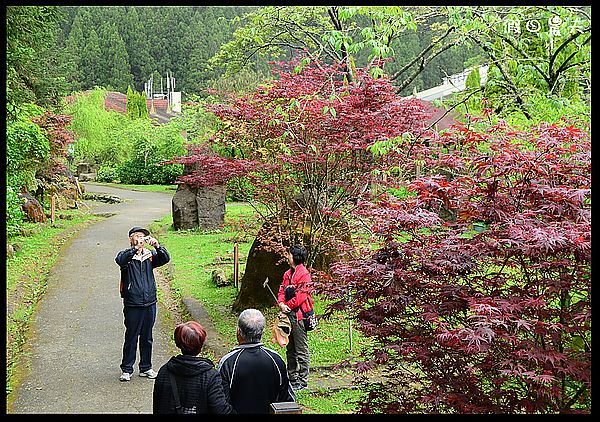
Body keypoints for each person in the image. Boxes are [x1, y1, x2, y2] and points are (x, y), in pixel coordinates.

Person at [115, 226, 170, 382]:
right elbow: (119, 260)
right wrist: (135, 249)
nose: (141, 239)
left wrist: (157, 246)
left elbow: (165, 258)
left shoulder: (150, 256)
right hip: (133, 303)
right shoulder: (127, 257)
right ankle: (127, 369)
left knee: (147, 337)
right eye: (137, 236)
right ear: (131, 239)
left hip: (150, 302)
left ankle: (146, 367)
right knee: (131, 336)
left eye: (143, 237)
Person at [217, 308, 295, 413]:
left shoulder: (228, 362)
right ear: (262, 332)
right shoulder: (276, 360)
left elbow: (221, 403)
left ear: (238, 332)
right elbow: (287, 399)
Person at [153, 321, 235, 414]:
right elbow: (220, 410)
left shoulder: (164, 371)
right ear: (201, 344)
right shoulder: (210, 377)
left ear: (178, 343)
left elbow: (158, 405)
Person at [277, 244, 314, 391]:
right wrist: (281, 304)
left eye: (289, 254)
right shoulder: (287, 274)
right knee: (289, 348)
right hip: (287, 315)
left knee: (301, 349)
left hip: (298, 317)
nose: (287, 256)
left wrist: (287, 306)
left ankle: (303, 381)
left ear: (295, 257)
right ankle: (292, 378)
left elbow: (301, 296)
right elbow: (281, 290)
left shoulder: (304, 274)